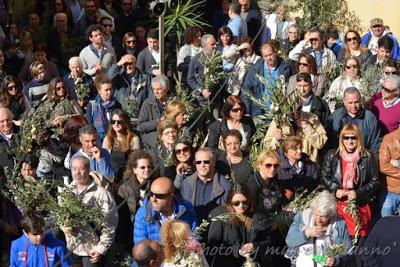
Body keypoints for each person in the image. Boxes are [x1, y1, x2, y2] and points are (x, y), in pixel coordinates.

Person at [321, 124, 379, 245]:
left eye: (353, 137)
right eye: (346, 138)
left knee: (358, 241)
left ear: (359, 139)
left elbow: (375, 181)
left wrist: (358, 193)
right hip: (338, 203)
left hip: (359, 204)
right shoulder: (332, 155)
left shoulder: (367, 156)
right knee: (338, 239)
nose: (350, 141)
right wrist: (335, 189)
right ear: (341, 139)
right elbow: (324, 177)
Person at [62, 156, 118, 267]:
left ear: (88, 170)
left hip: (92, 251)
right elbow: (61, 218)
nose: (77, 172)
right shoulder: (66, 192)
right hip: (72, 250)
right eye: (74, 169)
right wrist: (65, 227)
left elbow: (110, 225)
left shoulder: (102, 194)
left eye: (81, 168)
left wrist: (100, 249)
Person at [207, 183, 274, 266]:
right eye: (236, 203)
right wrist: (236, 250)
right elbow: (213, 245)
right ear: (230, 202)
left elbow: (269, 241)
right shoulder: (220, 217)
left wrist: (255, 246)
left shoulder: (259, 215)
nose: (241, 206)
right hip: (227, 262)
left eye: (245, 202)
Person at [285, 191, 352, 267]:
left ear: (330, 215)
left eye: (323, 216)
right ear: (312, 210)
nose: (318, 219)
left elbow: (348, 251)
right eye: (316, 214)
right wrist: (306, 233)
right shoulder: (301, 218)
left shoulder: (339, 225)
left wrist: (335, 260)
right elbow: (289, 241)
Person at [133, 177, 197, 244]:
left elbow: (195, 233)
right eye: (151, 194)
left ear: (171, 196)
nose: (154, 199)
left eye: (159, 196)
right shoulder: (143, 214)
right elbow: (141, 246)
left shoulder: (186, 208)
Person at [326, 87, 381, 155]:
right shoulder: (336, 117)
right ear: (344, 102)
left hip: (363, 159)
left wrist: (372, 161)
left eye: (356, 102)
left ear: (360, 100)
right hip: (340, 159)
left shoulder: (370, 118)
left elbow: (375, 143)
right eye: (350, 103)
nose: (354, 106)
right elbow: (328, 142)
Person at [180, 148, 232, 222]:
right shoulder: (186, 184)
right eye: (198, 162)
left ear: (213, 163)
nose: (202, 165)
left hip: (215, 229)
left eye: (206, 162)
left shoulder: (225, 186)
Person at [242, 41, 291, 116]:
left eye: (270, 54)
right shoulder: (255, 69)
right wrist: (247, 110)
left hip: (278, 113)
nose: (269, 58)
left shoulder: (285, 69)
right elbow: (246, 89)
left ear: (275, 53)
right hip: (259, 112)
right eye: (266, 56)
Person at [277, 136, 318, 201]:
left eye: (300, 148)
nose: (299, 151)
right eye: (295, 149)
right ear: (286, 153)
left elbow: (315, 182)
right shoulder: (279, 169)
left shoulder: (309, 164)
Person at [103, 109, 140, 175]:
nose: (116, 124)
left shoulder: (134, 138)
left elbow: (136, 160)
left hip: (128, 174)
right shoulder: (108, 138)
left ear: (125, 122)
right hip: (113, 175)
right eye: (113, 121)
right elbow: (104, 159)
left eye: (119, 122)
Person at [137, 75, 170, 150]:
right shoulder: (148, 103)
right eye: (154, 89)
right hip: (152, 146)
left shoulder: (173, 103)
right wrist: (158, 122)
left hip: (170, 144)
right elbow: (140, 126)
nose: (156, 92)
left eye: (159, 89)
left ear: (166, 89)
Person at [85, 74, 121, 141]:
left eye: (110, 89)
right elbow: (90, 126)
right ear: (99, 91)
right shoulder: (92, 105)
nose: (109, 92)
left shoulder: (117, 104)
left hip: (115, 138)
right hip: (99, 140)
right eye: (106, 90)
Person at [118, 150, 154, 216]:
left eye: (149, 167)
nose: (147, 170)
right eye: (142, 167)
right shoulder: (124, 189)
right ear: (134, 170)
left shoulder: (155, 185)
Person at [379, 126, 400, 217]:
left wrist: (396, 162)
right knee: (385, 223)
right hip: (390, 191)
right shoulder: (389, 139)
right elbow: (383, 165)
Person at [0, 108, 19, 178]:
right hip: (6, 182)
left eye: (7, 120)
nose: (6, 123)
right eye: (2, 121)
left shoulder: (21, 132)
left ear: (11, 119)